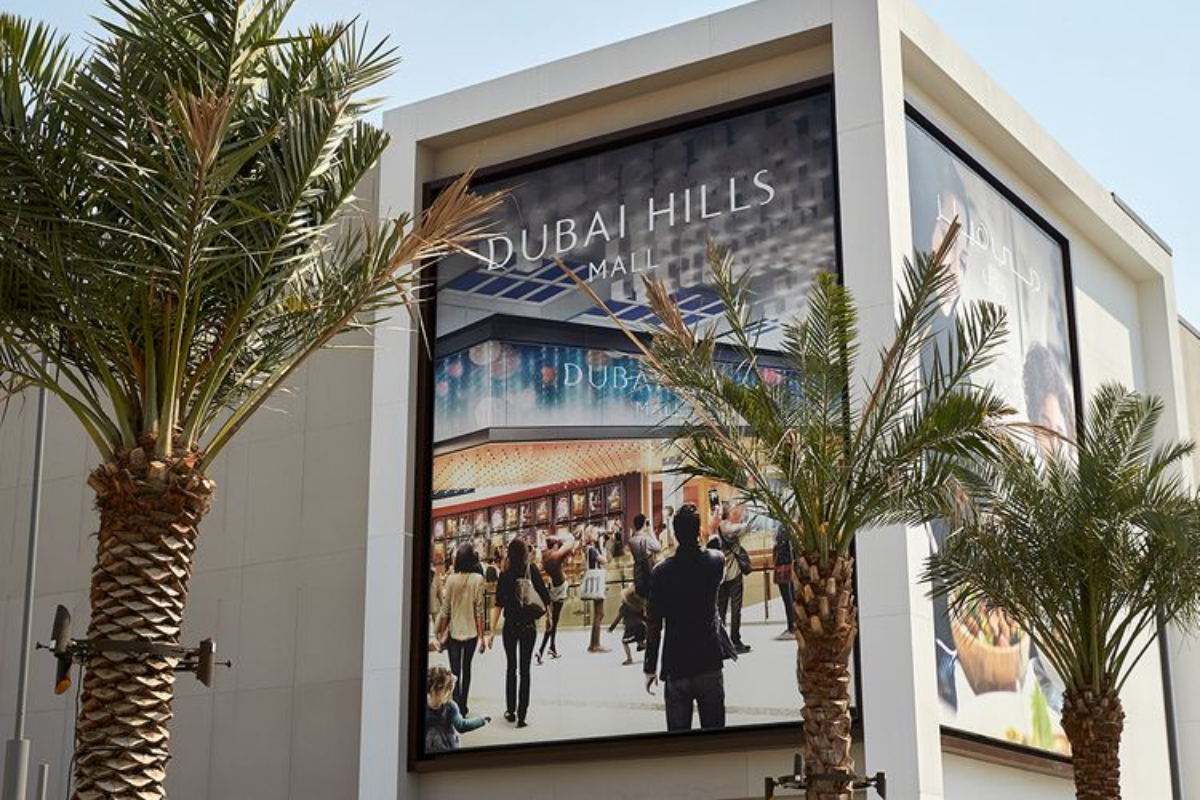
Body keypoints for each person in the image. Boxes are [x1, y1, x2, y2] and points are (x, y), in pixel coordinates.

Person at [643, 505, 728, 731]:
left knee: (679, 743)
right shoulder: (716, 562)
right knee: (717, 740)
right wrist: (713, 531)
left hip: (676, 665)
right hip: (709, 661)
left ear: (675, 534)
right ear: (698, 531)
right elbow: (715, 554)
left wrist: (650, 666)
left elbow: (654, 624)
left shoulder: (661, 573)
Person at [489, 537, 551, 728]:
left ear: (510, 554)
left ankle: (511, 711)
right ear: (525, 553)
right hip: (529, 627)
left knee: (511, 668)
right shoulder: (531, 570)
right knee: (525, 670)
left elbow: (498, 604)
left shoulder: (505, 575)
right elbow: (544, 595)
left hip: (510, 627)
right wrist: (549, 617)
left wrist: (491, 631)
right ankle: (522, 714)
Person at [436, 543, 486, 715]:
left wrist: (442, 633)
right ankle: (463, 704)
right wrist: (482, 637)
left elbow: (445, 610)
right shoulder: (478, 579)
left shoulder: (451, 579)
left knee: (454, 671)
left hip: (454, 632)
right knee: (467, 669)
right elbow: (479, 611)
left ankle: (456, 704)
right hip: (471, 633)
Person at [709, 502, 751, 654]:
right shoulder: (731, 528)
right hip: (734, 573)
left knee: (721, 610)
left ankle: (722, 641)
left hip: (722, 575)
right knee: (735, 609)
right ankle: (735, 640)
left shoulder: (715, 529)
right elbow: (747, 526)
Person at [425, 665, 489, 753]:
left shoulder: (448, 706)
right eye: (448, 689)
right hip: (439, 748)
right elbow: (462, 726)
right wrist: (481, 720)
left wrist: (481, 720)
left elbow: (462, 725)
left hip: (437, 748)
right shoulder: (448, 706)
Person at [537, 530, 577, 664]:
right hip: (560, 590)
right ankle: (541, 650)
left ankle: (552, 647)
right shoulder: (555, 556)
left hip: (553, 588)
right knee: (553, 621)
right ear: (554, 545)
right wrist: (558, 537)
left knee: (553, 620)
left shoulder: (545, 557)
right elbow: (570, 540)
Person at [583, 525, 611, 653]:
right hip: (596, 582)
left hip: (595, 582)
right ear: (589, 535)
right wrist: (602, 546)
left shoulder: (589, 549)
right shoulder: (592, 549)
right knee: (599, 614)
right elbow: (604, 561)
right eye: (594, 533)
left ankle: (593, 644)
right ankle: (595, 645)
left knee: (599, 613)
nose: (597, 535)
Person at [608, 585, 647, 665]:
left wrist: (611, 628)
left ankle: (629, 659)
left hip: (630, 627)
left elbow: (618, 618)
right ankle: (646, 650)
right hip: (640, 626)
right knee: (639, 639)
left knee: (624, 642)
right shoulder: (638, 605)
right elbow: (643, 617)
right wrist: (649, 622)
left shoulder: (624, 607)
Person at [627, 513, 661, 601]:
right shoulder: (646, 539)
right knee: (650, 595)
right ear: (644, 524)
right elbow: (658, 547)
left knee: (641, 597)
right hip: (648, 571)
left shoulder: (631, 541)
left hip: (638, 572)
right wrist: (651, 531)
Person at [772, 523, 796, 640]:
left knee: (788, 599)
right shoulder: (787, 526)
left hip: (784, 567)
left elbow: (782, 550)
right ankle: (792, 626)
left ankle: (792, 627)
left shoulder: (784, 527)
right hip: (788, 566)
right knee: (791, 598)